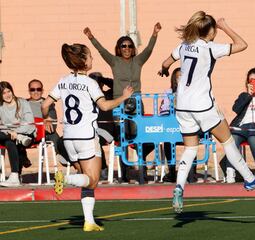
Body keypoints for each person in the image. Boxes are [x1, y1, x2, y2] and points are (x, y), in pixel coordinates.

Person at [158, 11, 255, 213]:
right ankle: (250, 179)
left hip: (182, 106)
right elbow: (242, 44)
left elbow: (166, 63)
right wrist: (225, 26)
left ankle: (178, 187)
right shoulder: (210, 48)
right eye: (214, 30)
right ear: (209, 31)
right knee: (227, 140)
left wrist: (164, 70)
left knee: (190, 149)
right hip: (202, 105)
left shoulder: (184, 46)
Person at [41, 43, 133, 231]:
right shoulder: (90, 83)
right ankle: (64, 179)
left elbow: (45, 105)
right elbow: (105, 106)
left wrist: (46, 118)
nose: (93, 59)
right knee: (92, 180)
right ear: (83, 60)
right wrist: (124, 97)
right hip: (87, 137)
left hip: (69, 139)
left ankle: (89, 221)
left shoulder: (63, 81)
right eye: (90, 56)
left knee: (85, 179)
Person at [84, 23, 162, 183]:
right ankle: (125, 174)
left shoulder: (138, 61)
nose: (126, 48)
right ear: (119, 48)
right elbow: (101, 51)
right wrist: (91, 38)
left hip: (136, 103)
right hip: (120, 103)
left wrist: (154, 34)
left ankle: (142, 168)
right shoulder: (114, 61)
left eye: (129, 46)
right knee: (123, 137)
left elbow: (148, 50)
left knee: (140, 136)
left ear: (133, 48)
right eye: (123, 46)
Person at [159, 68, 197, 183]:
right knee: (167, 142)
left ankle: (191, 173)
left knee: (192, 141)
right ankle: (172, 172)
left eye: (182, 76)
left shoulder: (192, 92)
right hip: (172, 127)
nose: (180, 79)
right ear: (174, 79)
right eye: (178, 77)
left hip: (187, 127)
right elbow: (163, 110)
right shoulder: (168, 92)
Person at [27, 79, 71, 167]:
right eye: (33, 89)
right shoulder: (24, 104)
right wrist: (41, 121)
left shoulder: (48, 103)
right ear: (29, 91)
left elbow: (52, 125)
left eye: (38, 89)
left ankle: (61, 155)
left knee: (55, 135)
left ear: (42, 90)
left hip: (46, 134)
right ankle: (21, 159)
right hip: (29, 133)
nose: (36, 92)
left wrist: (35, 122)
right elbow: (23, 121)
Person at [0, 81, 35, 187]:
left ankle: (15, 176)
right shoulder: (0, 106)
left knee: (10, 142)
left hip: (26, 134)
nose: (7, 95)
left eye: (8, 91)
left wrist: (17, 132)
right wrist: (11, 133)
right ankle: (15, 176)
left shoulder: (22, 102)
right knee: (10, 141)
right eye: (3, 93)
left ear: (12, 91)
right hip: (12, 136)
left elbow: (29, 122)